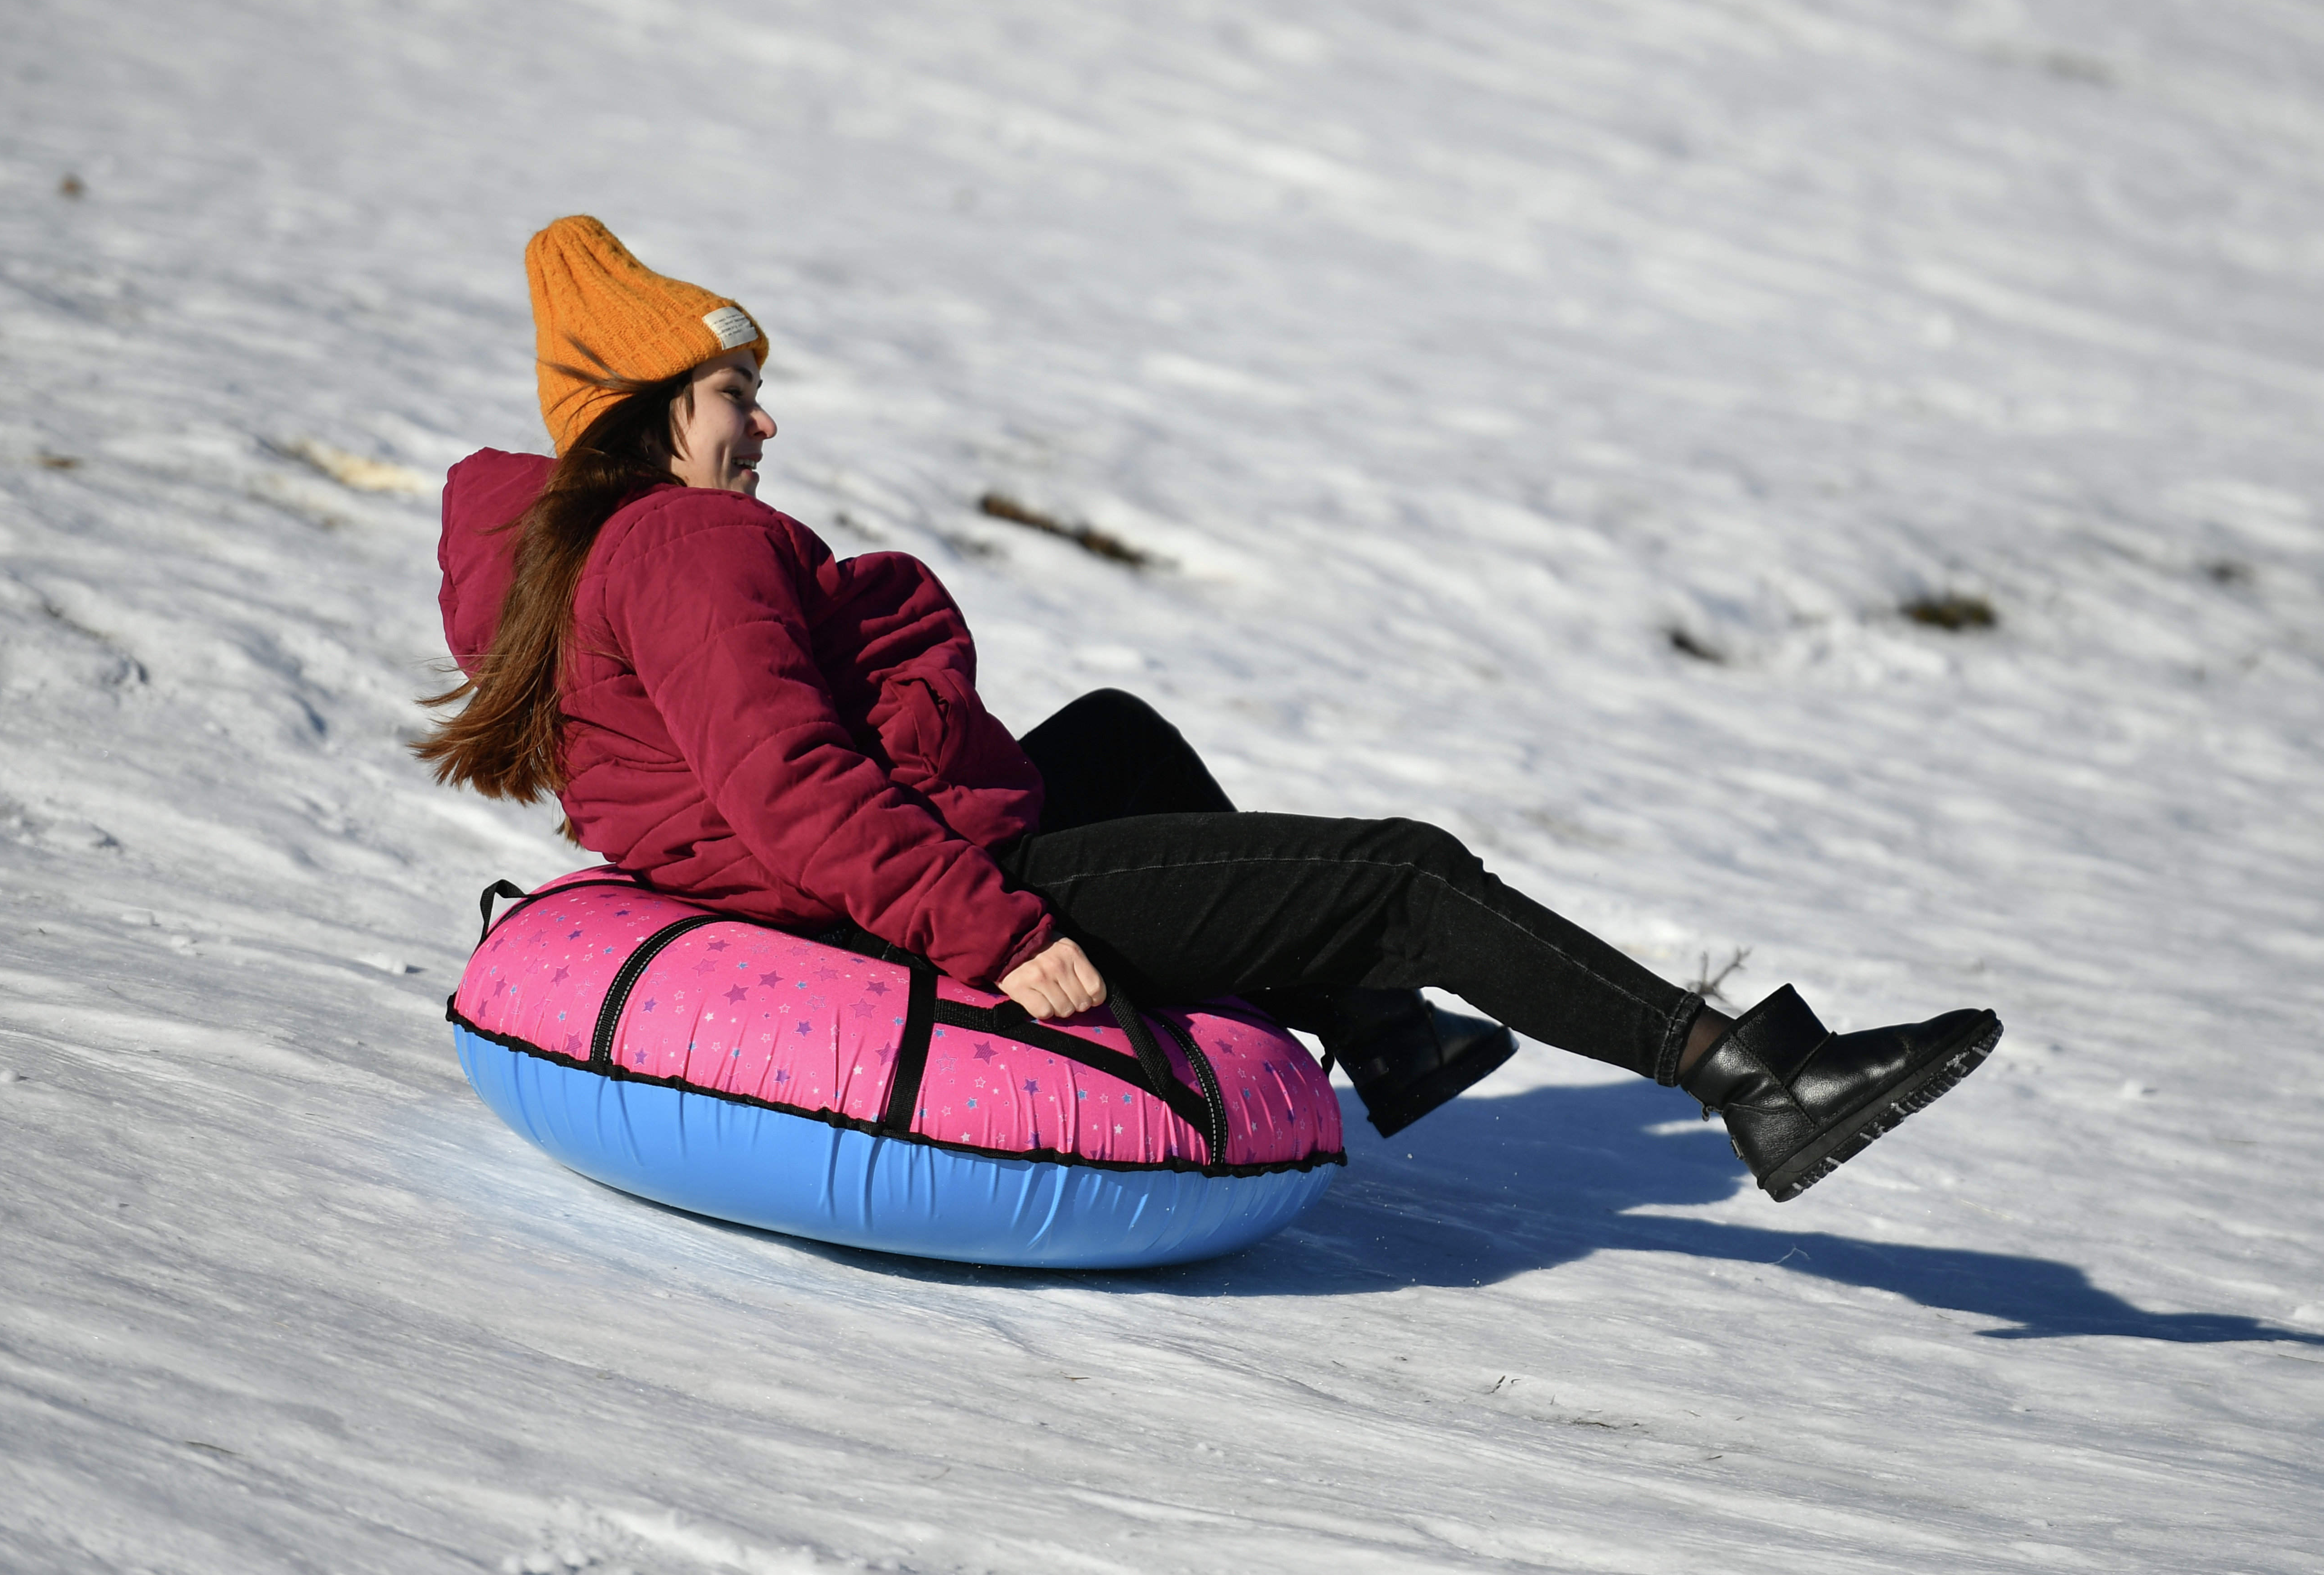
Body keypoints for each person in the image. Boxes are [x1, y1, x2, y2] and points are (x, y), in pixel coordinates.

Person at [419, 216, 2001, 1202]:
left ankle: (1380, 1034)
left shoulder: (592, 550)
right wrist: (985, 933)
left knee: (1110, 731)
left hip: (840, 871)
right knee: (1403, 871)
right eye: (730, 397)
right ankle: (1753, 1081)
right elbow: (794, 790)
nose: (764, 422)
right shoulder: (689, 546)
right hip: (896, 903)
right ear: (651, 419)